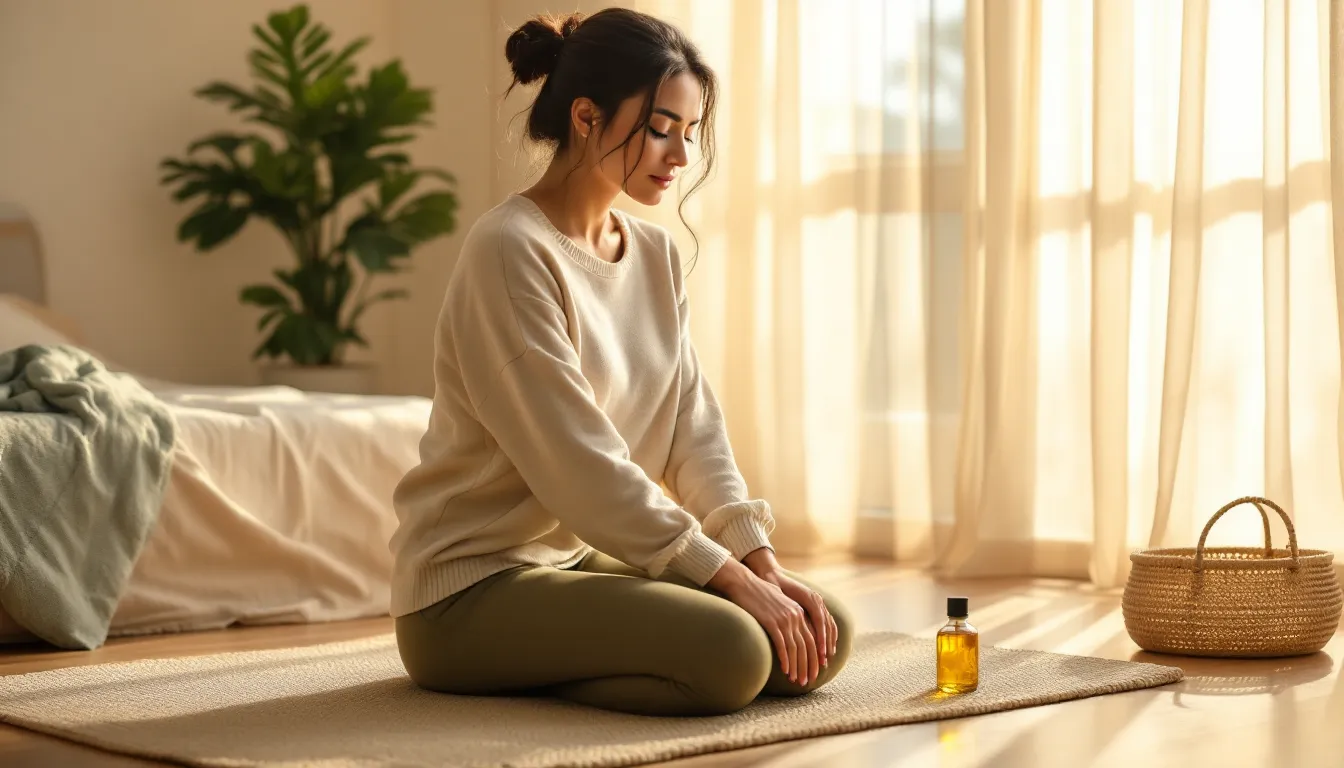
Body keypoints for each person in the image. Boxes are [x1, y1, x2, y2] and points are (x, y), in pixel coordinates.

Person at [389, 7, 853, 717]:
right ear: (586, 117)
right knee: (734, 654)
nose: (681, 155)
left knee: (822, 631)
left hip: (572, 560)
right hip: (467, 590)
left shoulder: (655, 255)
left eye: (690, 133)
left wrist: (755, 558)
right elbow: (580, 467)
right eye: (662, 127)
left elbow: (692, 428)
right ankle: (564, 668)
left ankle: (594, 658)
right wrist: (722, 577)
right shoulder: (510, 250)